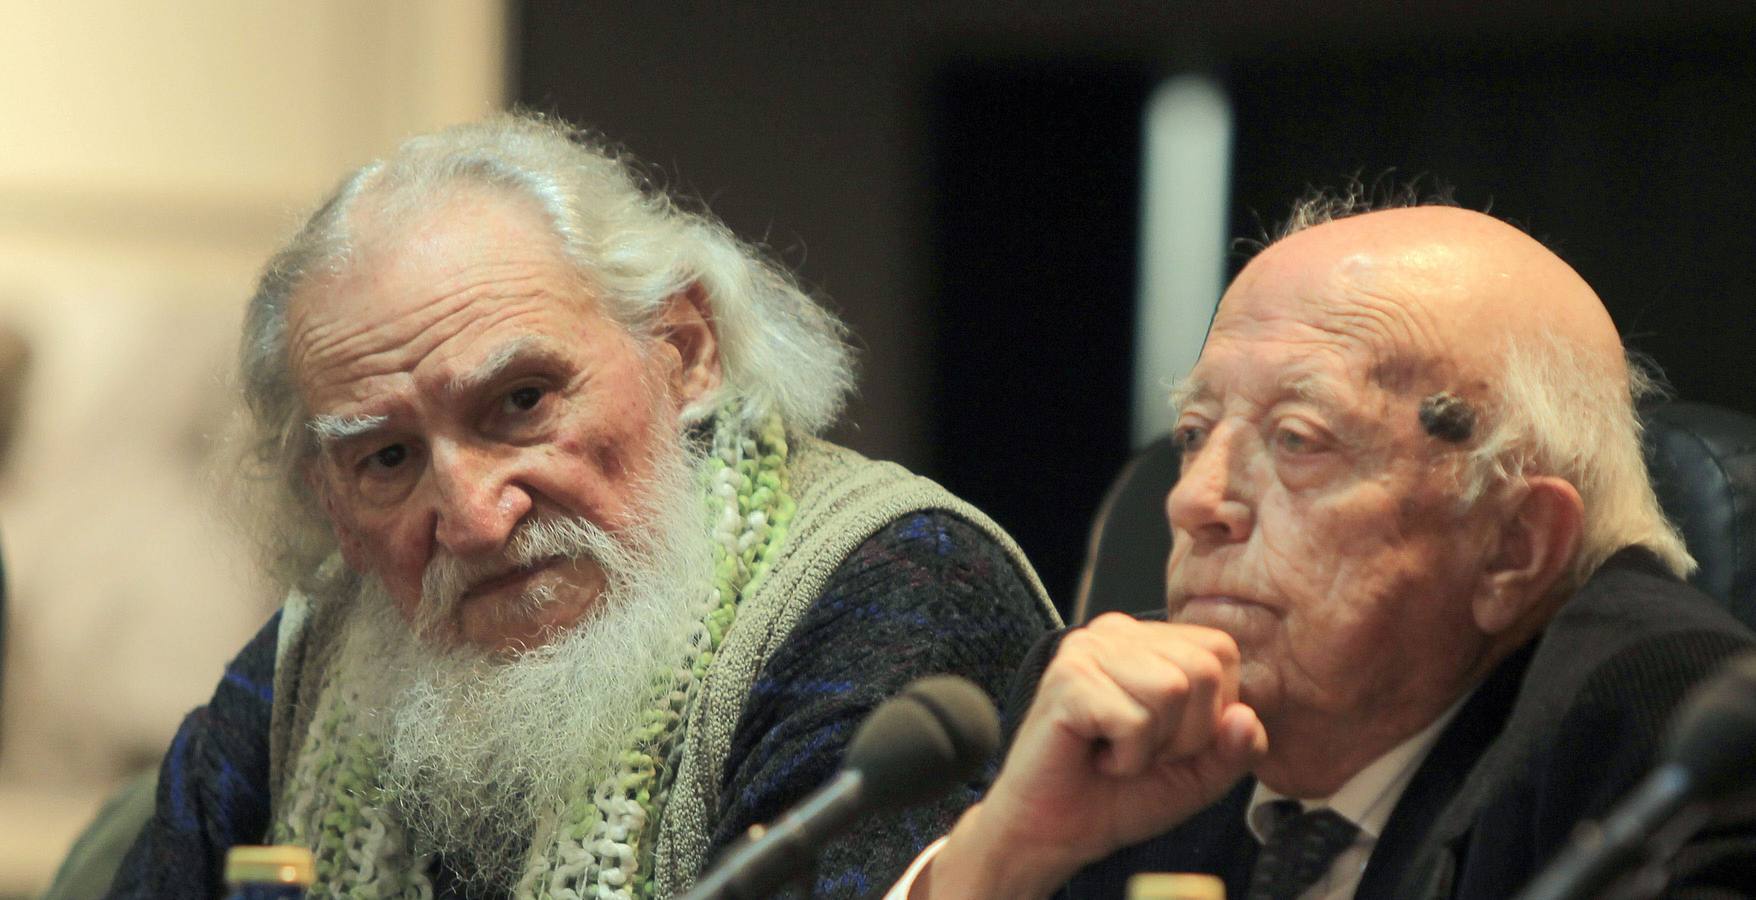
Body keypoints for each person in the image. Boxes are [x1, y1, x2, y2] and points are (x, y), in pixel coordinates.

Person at [99, 113, 1060, 899]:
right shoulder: (314, 662)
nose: (474, 519)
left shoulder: (892, 587)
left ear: (684, 350)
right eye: (387, 457)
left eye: (520, 403)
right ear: (333, 504)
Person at [898, 197, 1756, 899]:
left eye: (1299, 440)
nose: (1194, 499)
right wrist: (1002, 856)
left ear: (1513, 546)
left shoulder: (1673, 739)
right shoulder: (1119, 713)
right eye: (1195, 434)